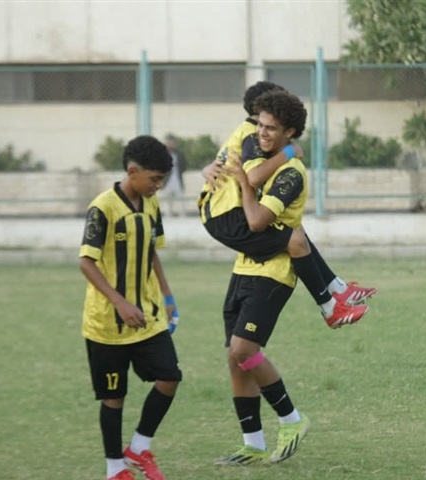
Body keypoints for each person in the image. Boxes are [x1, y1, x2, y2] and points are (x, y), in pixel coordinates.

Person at [199, 81, 376, 329]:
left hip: (219, 211)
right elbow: (253, 177)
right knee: (294, 239)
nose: (265, 130)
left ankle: (338, 288)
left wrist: (207, 169)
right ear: (260, 111)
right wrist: (289, 152)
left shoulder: (245, 132)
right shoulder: (251, 135)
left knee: (294, 230)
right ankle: (330, 307)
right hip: (225, 216)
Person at [213, 90, 313, 466]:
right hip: (244, 268)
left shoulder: (290, 172)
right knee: (234, 358)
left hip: (273, 272)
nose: (262, 133)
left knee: (244, 349)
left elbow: (255, 221)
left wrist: (243, 183)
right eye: (259, 125)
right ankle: (252, 443)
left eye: (271, 128)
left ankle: (292, 420)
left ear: (290, 133)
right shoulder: (262, 161)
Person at [79, 135, 182, 480]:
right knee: (114, 397)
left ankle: (139, 446)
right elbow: (86, 262)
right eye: (155, 179)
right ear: (133, 171)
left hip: (148, 317)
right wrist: (119, 302)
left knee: (170, 376)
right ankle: (115, 470)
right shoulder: (103, 207)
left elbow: (151, 252)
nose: (159, 186)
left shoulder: (151, 204)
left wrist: (168, 297)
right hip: (107, 324)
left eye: (162, 179)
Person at [160, 134, 187, 217]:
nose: (172, 144)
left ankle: (182, 214)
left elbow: (184, 165)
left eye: (173, 142)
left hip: (177, 178)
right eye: (170, 142)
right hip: (167, 180)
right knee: (167, 199)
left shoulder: (179, 154)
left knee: (181, 198)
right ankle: (168, 214)